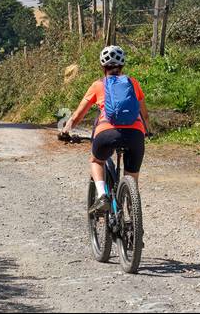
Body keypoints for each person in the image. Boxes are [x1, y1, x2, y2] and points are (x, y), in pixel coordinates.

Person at [60, 45, 150, 217]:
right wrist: (149, 131)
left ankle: (102, 196)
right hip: (135, 135)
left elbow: (77, 116)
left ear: (103, 67)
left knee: (96, 161)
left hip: (106, 133)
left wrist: (65, 131)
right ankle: (134, 219)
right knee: (132, 177)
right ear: (123, 66)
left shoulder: (97, 85)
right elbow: (144, 114)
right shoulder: (133, 83)